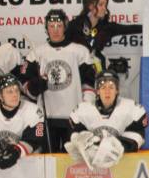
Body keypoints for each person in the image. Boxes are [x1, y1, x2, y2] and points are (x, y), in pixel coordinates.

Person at [21, 9, 95, 153]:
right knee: (49, 161)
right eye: (51, 26)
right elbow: (25, 87)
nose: (55, 30)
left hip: (73, 118)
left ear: (65, 26)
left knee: (73, 162)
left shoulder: (80, 52)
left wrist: (85, 109)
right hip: (47, 118)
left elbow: (89, 83)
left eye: (59, 26)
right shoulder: (36, 54)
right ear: (46, 28)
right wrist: (35, 86)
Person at [67, 71, 146, 170]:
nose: (107, 91)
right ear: (98, 91)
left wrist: (118, 145)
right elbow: (74, 136)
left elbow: (137, 137)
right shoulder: (83, 110)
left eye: (111, 87)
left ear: (117, 90)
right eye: (103, 87)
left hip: (123, 167)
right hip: (93, 170)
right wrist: (83, 143)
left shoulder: (130, 109)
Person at [0, 73, 46, 170]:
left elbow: (33, 140)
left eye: (17, 90)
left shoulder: (34, 111)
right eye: (9, 91)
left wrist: (16, 151)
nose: (15, 95)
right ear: (0, 95)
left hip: (28, 167)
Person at [68, 0, 143, 72]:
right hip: (75, 69)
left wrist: (146, 29)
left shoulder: (107, 27)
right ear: (90, 6)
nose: (105, 8)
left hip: (96, 70)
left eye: (105, 5)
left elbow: (130, 29)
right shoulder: (74, 25)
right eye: (101, 5)